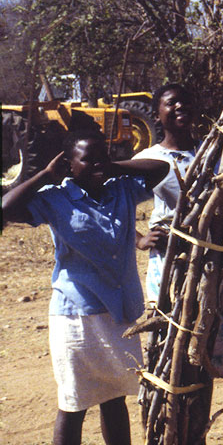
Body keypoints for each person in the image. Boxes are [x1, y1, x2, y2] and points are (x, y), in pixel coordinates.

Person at [1, 129, 169, 445]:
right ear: (69, 164)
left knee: (115, 396)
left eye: (101, 157)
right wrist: (46, 175)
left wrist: (111, 166)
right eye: (87, 159)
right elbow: (6, 208)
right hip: (77, 315)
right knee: (73, 402)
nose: (97, 165)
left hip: (119, 312)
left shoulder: (122, 189)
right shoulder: (54, 197)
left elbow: (161, 169)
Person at [132, 83, 198, 303]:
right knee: (167, 321)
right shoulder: (148, 159)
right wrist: (140, 240)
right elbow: (115, 208)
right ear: (156, 115)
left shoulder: (211, 153)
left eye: (185, 102)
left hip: (210, 254)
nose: (180, 107)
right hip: (168, 257)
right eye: (171, 103)